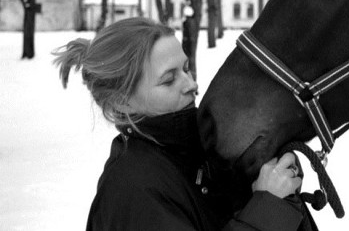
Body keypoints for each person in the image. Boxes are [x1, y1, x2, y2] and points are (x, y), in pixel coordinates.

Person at [54, 17, 305, 230]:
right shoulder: (134, 191)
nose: (191, 85)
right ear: (121, 102)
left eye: (186, 69)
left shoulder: (195, 151)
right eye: (168, 80)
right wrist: (267, 208)